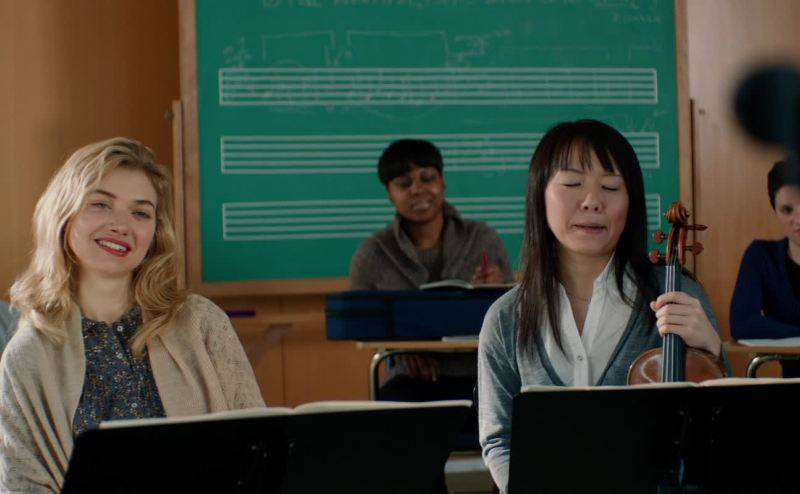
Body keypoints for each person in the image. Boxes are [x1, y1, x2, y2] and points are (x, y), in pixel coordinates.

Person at [0, 137, 264, 493]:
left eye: (140, 212)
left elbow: (261, 453)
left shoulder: (202, 322)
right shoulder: (27, 356)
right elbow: (22, 486)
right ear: (63, 214)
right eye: (101, 204)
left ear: (155, 232)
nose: (121, 225)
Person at [477, 120, 727, 492]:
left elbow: (720, 433)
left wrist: (712, 351)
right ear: (539, 195)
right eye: (572, 184)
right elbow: (499, 439)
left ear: (631, 202)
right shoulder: (505, 317)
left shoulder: (677, 294)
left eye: (610, 187)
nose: (592, 201)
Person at [349, 138, 513, 401]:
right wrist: (400, 346)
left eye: (427, 178)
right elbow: (360, 321)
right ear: (388, 192)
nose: (417, 190)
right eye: (403, 184)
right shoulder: (373, 251)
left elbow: (513, 312)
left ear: (442, 182)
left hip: (482, 372)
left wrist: (498, 287)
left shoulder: (482, 237)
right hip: (409, 376)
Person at [730, 159, 800, 377]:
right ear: (775, 211)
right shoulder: (761, 255)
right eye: (787, 210)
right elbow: (742, 324)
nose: (798, 219)